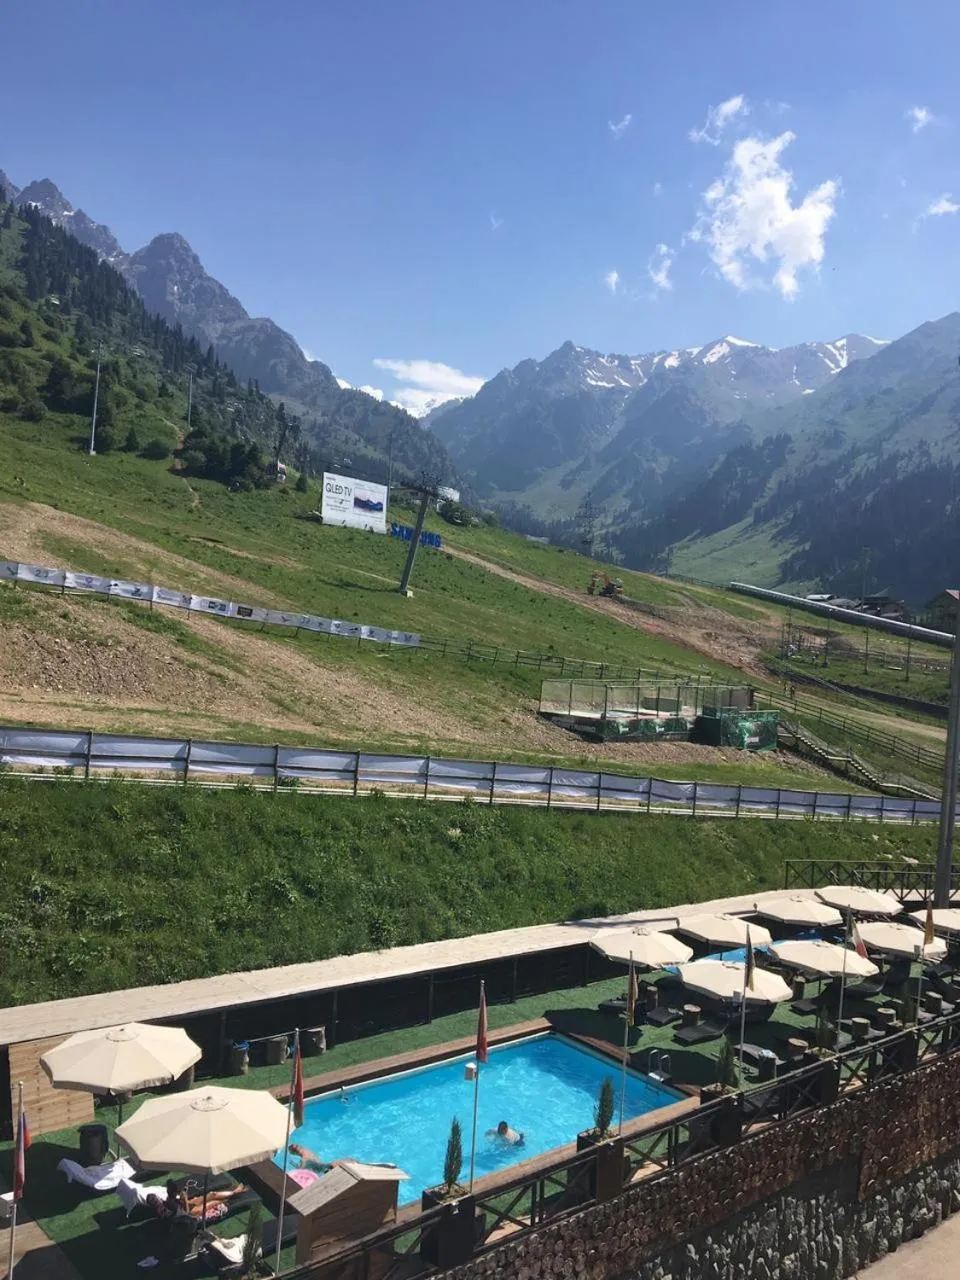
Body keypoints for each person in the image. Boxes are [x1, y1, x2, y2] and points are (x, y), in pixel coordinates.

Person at [156, 1179, 249, 1222]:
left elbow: (183, 1205)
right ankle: (235, 1193)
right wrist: (184, 1200)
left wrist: (186, 1200)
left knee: (213, 1194)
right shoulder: (169, 1202)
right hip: (191, 1213)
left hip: (188, 1206)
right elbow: (186, 1213)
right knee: (215, 1202)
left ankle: (234, 1192)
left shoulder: (170, 1198)